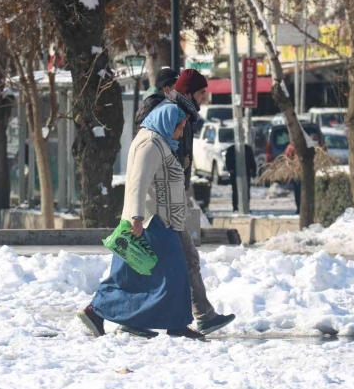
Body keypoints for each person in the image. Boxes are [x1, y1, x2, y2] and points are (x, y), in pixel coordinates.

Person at [77, 104, 202, 339]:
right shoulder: (150, 144)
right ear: (168, 122)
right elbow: (138, 181)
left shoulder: (159, 141)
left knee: (137, 276)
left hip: (159, 220)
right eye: (180, 127)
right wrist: (136, 217)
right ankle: (99, 311)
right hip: (151, 222)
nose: (180, 133)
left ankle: (108, 314)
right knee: (174, 272)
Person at [136, 68, 236, 335]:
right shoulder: (164, 114)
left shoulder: (182, 112)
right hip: (159, 210)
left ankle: (192, 317)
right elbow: (147, 170)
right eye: (203, 92)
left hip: (170, 204)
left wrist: (180, 167)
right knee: (169, 263)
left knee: (174, 262)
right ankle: (129, 318)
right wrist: (137, 214)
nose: (206, 98)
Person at [134, 67, 179, 133]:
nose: (177, 90)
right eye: (175, 87)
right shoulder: (154, 103)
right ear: (165, 88)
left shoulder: (159, 101)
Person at [224, 143, 257, 212]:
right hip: (235, 174)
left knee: (246, 190)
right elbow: (227, 162)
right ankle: (235, 207)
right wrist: (230, 169)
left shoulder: (247, 149)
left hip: (246, 173)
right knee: (235, 190)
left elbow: (252, 161)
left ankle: (246, 206)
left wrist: (254, 171)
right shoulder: (231, 149)